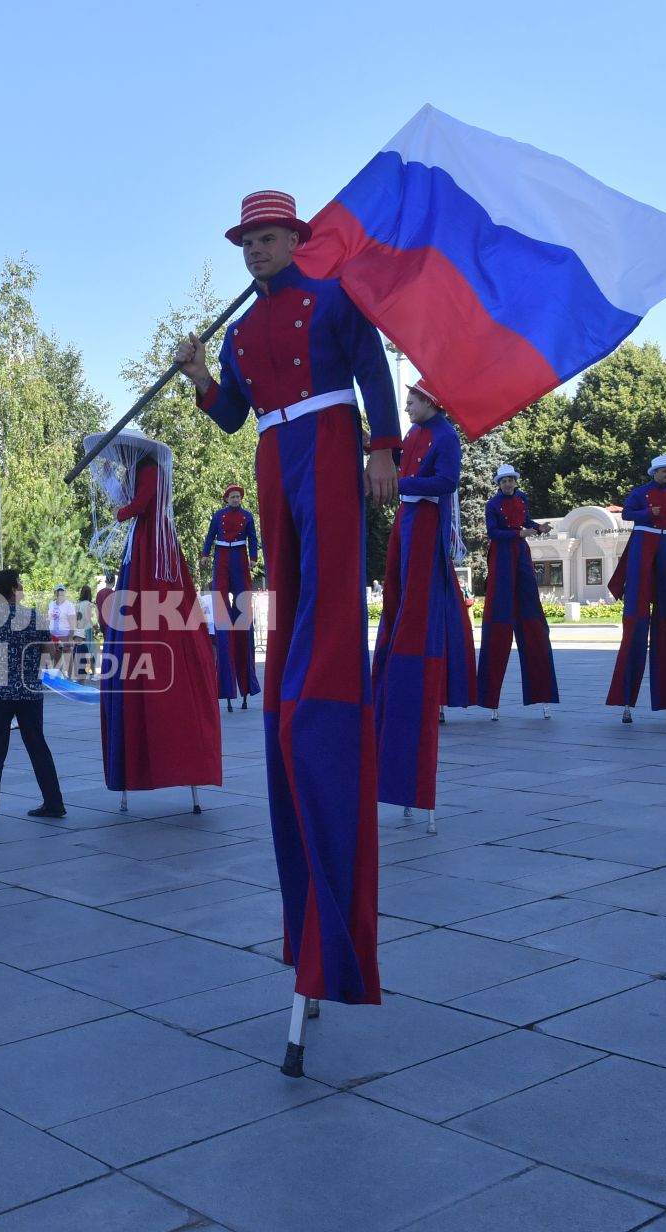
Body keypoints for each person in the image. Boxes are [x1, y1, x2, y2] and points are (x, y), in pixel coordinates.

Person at [176, 189, 397, 1008]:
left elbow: (374, 370)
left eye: (266, 239)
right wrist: (201, 377)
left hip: (332, 435)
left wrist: (384, 448)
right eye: (247, 242)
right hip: (273, 449)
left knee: (333, 571)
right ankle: (294, 669)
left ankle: (332, 670)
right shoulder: (238, 332)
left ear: (294, 238)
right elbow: (233, 417)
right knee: (289, 580)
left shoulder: (333, 297)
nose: (255, 252)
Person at [88, 427, 222, 798]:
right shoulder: (136, 472)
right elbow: (126, 499)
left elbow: (139, 505)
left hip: (153, 544)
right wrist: (105, 479)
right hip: (140, 542)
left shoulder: (151, 471)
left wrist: (120, 510)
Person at [372, 382, 477, 812]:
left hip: (426, 518)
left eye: (412, 400)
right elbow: (399, 461)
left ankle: (415, 672)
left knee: (418, 598)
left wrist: (404, 480)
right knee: (396, 592)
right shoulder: (415, 433)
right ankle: (391, 663)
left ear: (431, 401)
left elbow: (447, 480)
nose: (406, 405)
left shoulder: (446, 436)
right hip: (407, 517)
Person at [606, 454, 666, 723]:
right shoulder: (640, 493)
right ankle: (626, 699)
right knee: (637, 609)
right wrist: (648, 513)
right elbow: (627, 514)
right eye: (665, 471)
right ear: (655, 473)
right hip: (644, 539)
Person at [0, 569, 65, 825]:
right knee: (37, 747)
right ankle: (54, 802)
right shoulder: (33, 616)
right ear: (12, 589)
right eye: (19, 584)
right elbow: (49, 654)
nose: (22, 587)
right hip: (28, 692)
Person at [478, 464, 559, 717]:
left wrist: (538, 528)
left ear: (515, 482)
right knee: (501, 609)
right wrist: (518, 533)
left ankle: (541, 693)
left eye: (511, 480)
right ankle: (490, 698)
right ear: (499, 484)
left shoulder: (522, 499)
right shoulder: (492, 505)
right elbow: (493, 532)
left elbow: (526, 522)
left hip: (521, 552)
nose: (508, 484)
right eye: (504, 481)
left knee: (530, 609)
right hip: (502, 554)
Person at [201, 483, 262, 711]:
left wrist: (254, 557)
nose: (236, 499)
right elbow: (210, 536)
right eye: (233, 496)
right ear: (227, 498)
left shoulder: (247, 516)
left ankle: (246, 684)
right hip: (222, 556)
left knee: (242, 601)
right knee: (220, 599)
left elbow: (253, 538)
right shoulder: (219, 516)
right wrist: (206, 554)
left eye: (238, 496)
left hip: (239, 555)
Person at [46, 586, 77, 677]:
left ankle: (70, 678)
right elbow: (50, 618)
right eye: (58, 593)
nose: (60, 595)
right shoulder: (51, 604)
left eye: (62, 593)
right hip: (54, 635)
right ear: (55, 594)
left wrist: (71, 637)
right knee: (56, 656)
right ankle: (56, 678)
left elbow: (72, 621)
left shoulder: (69, 605)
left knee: (68, 657)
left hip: (65, 635)